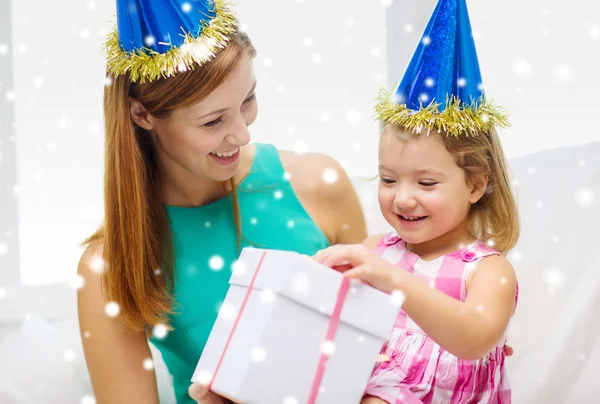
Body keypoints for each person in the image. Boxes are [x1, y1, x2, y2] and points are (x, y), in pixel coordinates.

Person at [76, 1, 367, 403]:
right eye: (213, 121)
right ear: (142, 114)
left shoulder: (319, 184)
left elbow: (388, 352)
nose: (242, 135)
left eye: (247, 100)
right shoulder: (108, 266)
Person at [313, 0, 520, 402]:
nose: (403, 198)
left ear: (475, 185)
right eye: (388, 178)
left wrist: (392, 280)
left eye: (426, 183)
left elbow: (475, 339)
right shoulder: (376, 251)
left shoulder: (487, 272)